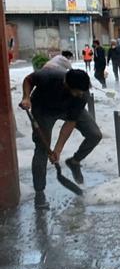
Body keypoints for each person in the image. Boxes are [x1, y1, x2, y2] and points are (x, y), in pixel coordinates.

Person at [19, 69, 102, 210]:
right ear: (66, 84)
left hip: (68, 109)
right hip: (43, 109)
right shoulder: (49, 76)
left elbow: (70, 123)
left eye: (83, 91)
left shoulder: (81, 95)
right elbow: (28, 79)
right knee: (42, 149)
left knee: (95, 134)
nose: (81, 94)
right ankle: (39, 193)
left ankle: (74, 161)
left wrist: (58, 150)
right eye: (78, 91)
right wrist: (26, 97)